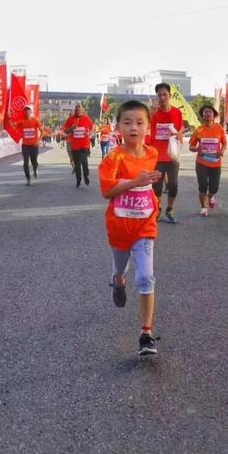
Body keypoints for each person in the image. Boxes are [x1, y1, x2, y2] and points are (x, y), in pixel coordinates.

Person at [99, 100, 162, 356]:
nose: (133, 127)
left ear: (148, 127)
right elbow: (107, 191)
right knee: (121, 268)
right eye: (127, 122)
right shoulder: (113, 157)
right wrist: (135, 181)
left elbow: (147, 186)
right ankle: (117, 280)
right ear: (118, 127)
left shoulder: (152, 154)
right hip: (119, 227)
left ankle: (146, 335)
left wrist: (151, 195)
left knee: (146, 276)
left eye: (139, 123)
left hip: (144, 226)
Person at [149, 82, 184, 224]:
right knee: (156, 186)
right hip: (156, 156)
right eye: (159, 95)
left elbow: (181, 127)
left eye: (165, 94)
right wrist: (150, 113)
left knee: (173, 185)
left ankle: (169, 209)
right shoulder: (153, 112)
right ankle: (158, 208)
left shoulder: (176, 112)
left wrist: (179, 134)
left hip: (172, 155)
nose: (162, 97)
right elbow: (143, 125)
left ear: (170, 95)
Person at [189, 105, 227, 217]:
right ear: (202, 115)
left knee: (214, 188)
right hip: (201, 162)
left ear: (213, 115)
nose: (207, 114)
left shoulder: (219, 128)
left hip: (215, 163)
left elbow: (224, 143)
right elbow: (191, 147)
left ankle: (211, 196)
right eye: (205, 112)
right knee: (203, 186)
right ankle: (203, 207)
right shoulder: (198, 130)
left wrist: (222, 151)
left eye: (209, 112)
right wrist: (197, 149)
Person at [10, 105, 43, 186]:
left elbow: (42, 131)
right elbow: (12, 125)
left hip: (34, 145)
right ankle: (28, 178)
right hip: (25, 145)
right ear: (24, 112)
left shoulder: (35, 120)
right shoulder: (22, 121)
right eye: (25, 110)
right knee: (25, 162)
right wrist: (9, 117)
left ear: (31, 112)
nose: (27, 111)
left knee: (34, 161)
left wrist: (38, 140)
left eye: (28, 110)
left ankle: (35, 168)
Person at [63, 104, 95, 188]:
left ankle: (86, 175)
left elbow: (92, 128)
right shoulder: (70, 119)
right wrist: (72, 128)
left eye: (79, 109)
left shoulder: (86, 119)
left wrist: (89, 133)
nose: (77, 111)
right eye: (76, 109)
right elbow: (65, 131)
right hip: (75, 146)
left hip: (84, 144)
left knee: (84, 161)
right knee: (77, 164)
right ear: (74, 110)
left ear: (82, 110)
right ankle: (78, 181)